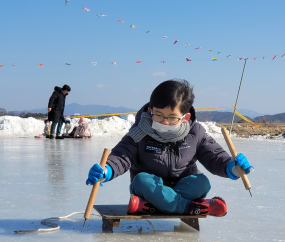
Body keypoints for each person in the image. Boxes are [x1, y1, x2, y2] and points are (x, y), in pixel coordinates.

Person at [86, 80, 254, 217]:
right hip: (149, 188)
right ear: (151, 110)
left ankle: (150, 206)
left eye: (172, 117)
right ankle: (190, 207)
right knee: (141, 180)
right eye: (158, 115)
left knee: (202, 182)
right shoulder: (140, 132)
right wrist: (106, 170)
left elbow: (215, 156)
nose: (164, 122)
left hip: (182, 185)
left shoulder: (196, 132)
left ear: (185, 116)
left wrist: (231, 167)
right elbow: (122, 155)